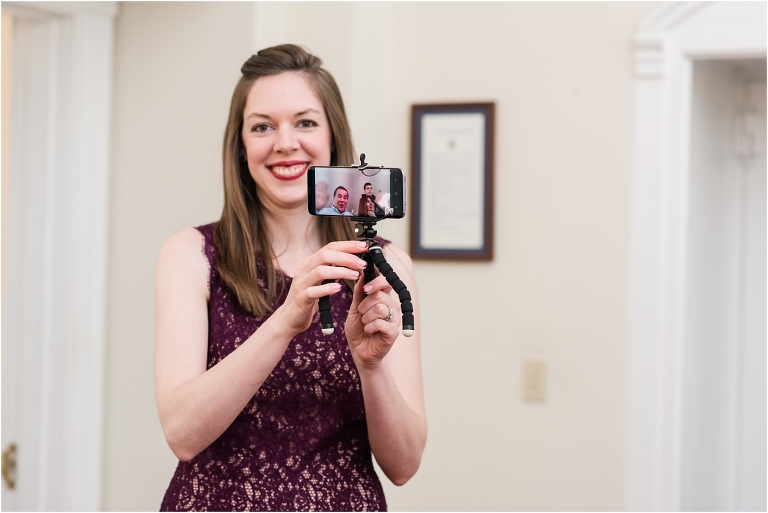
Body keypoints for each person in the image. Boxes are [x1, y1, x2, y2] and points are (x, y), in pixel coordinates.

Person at [155, 44, 426, 511]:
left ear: (332, 136)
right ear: (240, 146)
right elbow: (182, 435)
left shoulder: (385, 267)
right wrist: (284, 321)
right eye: (262, 126)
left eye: (305, 122)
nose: (285, 143)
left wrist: (371, 366)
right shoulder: (191, 256)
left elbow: (403, 466)